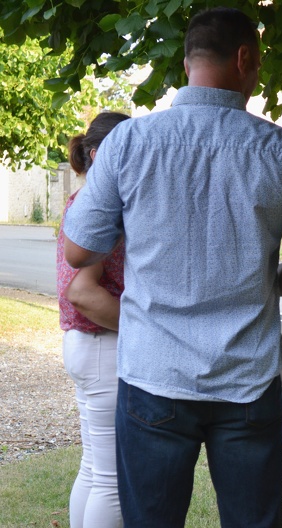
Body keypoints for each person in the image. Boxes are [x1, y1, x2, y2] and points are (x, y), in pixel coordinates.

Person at [62, 7, 282, 527]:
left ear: (188, 63)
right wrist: (268, 281)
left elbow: (78, 253)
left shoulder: (128, 143)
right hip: (247, 379)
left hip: (153, 374)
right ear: (244, 58)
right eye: (258, 65)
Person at [57, 111, 130, 528]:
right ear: (101, 155)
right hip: (103, 346)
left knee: (94, 468)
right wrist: (147, 328)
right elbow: (82, 292)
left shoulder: (81, 202)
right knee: (111, 479)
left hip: (86, 345)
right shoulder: (99, 209)